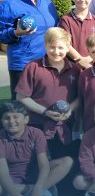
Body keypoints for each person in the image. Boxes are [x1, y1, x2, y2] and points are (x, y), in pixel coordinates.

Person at [15, 27, 81, 158]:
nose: (56, 52)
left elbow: (80, 97)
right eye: (52, 47)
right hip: (37, 125)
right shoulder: (33, 67)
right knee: (36, 163)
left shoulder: (75, 70)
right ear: (45, 46)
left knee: (63, 162)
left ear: (68, 48)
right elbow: (21, 97)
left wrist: (70, 110)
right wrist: (45, 112)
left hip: (63, 127)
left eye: (61, 48)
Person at [0, 101, 73, 196]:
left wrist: (38, 188)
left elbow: (44, 165)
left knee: (67, 161)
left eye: (16, 117)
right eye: (6, 118)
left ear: (26, 119)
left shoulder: (36, 133)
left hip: (34, 175)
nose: (11, 121)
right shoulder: (1, 138)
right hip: (13, 182)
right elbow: (3, 173)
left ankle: (33, 195)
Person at [0, 0, 59, 99]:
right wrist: (16, 32)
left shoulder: (47, 4)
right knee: (21, 111)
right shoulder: (8, 4)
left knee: (45, 102)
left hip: (47, 63)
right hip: (22, 65)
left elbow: (56, 30)